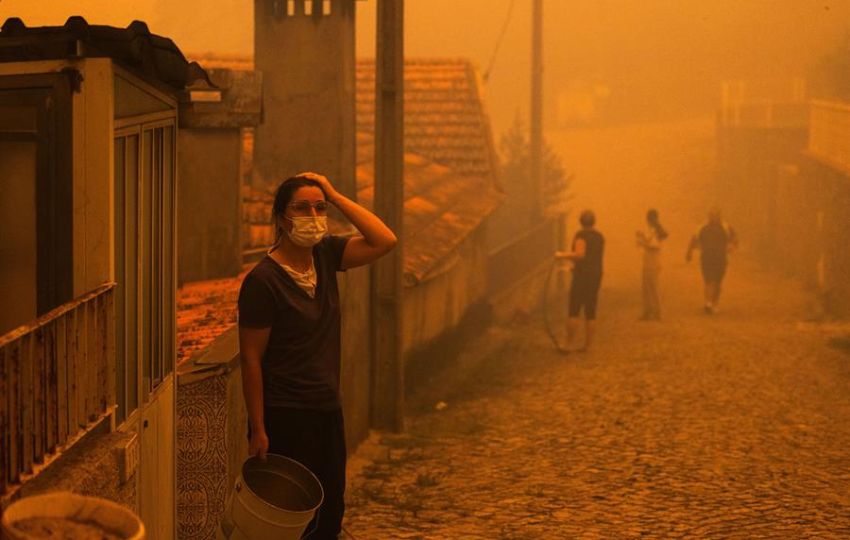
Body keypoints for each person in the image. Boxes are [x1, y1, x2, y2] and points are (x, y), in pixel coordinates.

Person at [237, 172, 397, 539]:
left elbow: (385, 240)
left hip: (326, 408)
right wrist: (258, 428)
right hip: (285, 414)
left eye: (318, 208)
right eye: (301, 208)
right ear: (280, 218)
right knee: (292, 518)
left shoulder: (326, 256)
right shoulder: (263, 281)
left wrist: (337, 196)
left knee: (331, 509)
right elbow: (250, 359)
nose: (312, 215)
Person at [555, 209, 605, 353]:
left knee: (574, 310)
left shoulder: (581, 236)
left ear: (580, 221)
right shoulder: (599, 237)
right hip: (596, 275)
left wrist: (561, 255)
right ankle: (587, 345)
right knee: (591, 311)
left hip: (582, 277)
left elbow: (580, 254)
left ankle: (568, 344)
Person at [686, 207, 737, 314]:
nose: (713, 217)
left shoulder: (726, 227)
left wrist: (731, 247)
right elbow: (694, 239)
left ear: (719, 216)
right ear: (708, 216)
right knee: (708, 280)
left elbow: (734, 239)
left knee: (718, 282)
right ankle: (708, 303)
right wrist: (689, 252)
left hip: (721, 258)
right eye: (711, 215)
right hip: (706, 257)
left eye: (716, 215)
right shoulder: (702, 227)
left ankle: (714, 303)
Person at [636, 208, 668, 320]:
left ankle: (657, 312)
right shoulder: (653, 230)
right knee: (646, 287)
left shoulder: (656, 231)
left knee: (653, 287)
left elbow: (653, 246)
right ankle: (648, 311)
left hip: (653, 260)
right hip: (649, 260)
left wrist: (642, 240)